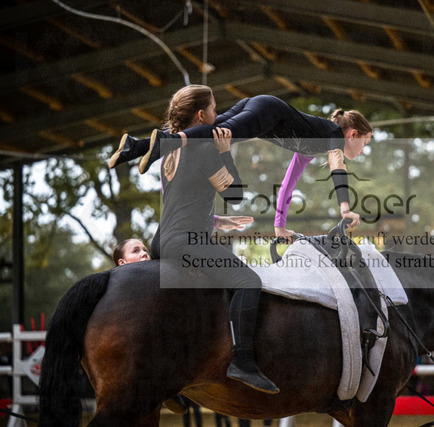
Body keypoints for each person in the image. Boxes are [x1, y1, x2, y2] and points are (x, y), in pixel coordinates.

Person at [148, 85, 279, 394]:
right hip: (186, 241)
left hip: (162, 240)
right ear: (201, 115)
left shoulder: (171, 150)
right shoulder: (205, 148)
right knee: (248, 281)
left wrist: (219, 221)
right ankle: (242, 361)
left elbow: (182, 200)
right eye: (214, 109)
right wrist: (225, 152)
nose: (218, 115)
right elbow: (234, 194)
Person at [108, 91, 373, 239]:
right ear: (352, 134)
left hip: (261, 107)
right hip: (269, 111)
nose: (363, 150)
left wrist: (279, 225)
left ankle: (136, 146)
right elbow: (338, 168)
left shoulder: (312, 146)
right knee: (216, 135)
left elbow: (288, 185)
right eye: (365, 142)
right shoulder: (333, 135)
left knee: (214, 132)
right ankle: (163, 142)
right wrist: (345, 207)